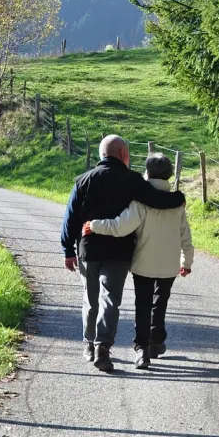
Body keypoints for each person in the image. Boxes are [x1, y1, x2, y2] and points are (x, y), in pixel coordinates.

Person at [61, 136, 185, 372]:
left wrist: (68, 250)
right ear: (122, 153)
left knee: (90, 298)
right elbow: (156, 200)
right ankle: (103, 347)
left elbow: (70, 218)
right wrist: (179, 198)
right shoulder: (133, 180)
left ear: (102, 154)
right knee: (110, 300)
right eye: (127, 152)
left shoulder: (83, 180)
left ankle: (89, 344)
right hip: (119, 252)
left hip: (88, 249)